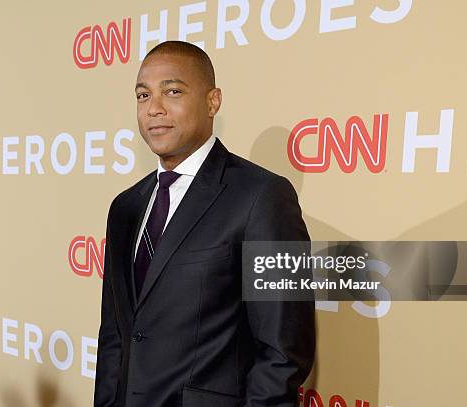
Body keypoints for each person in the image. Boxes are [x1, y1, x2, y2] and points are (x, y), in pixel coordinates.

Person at [94, 40, 315, 407]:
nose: (154, 109)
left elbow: (283, 352)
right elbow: (115, 336)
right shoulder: (125, 207)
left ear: (213, 101)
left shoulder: (264, 197)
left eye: (173, 91)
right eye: (142, 95)